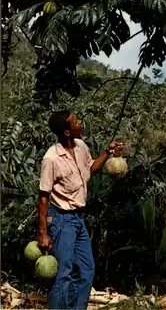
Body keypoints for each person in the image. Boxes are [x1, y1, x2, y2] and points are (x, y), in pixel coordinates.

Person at [37, 110, 123, 310]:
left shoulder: (81, 146)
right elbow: (43, 197)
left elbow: (90, 169)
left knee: (86, 271)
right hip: (61, 219)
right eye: (76, 122)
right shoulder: (51, 158)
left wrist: (107, 152)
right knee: (64, 274)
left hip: (78, 219)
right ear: (67, 132)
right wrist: (43, 232)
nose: (81, 123)